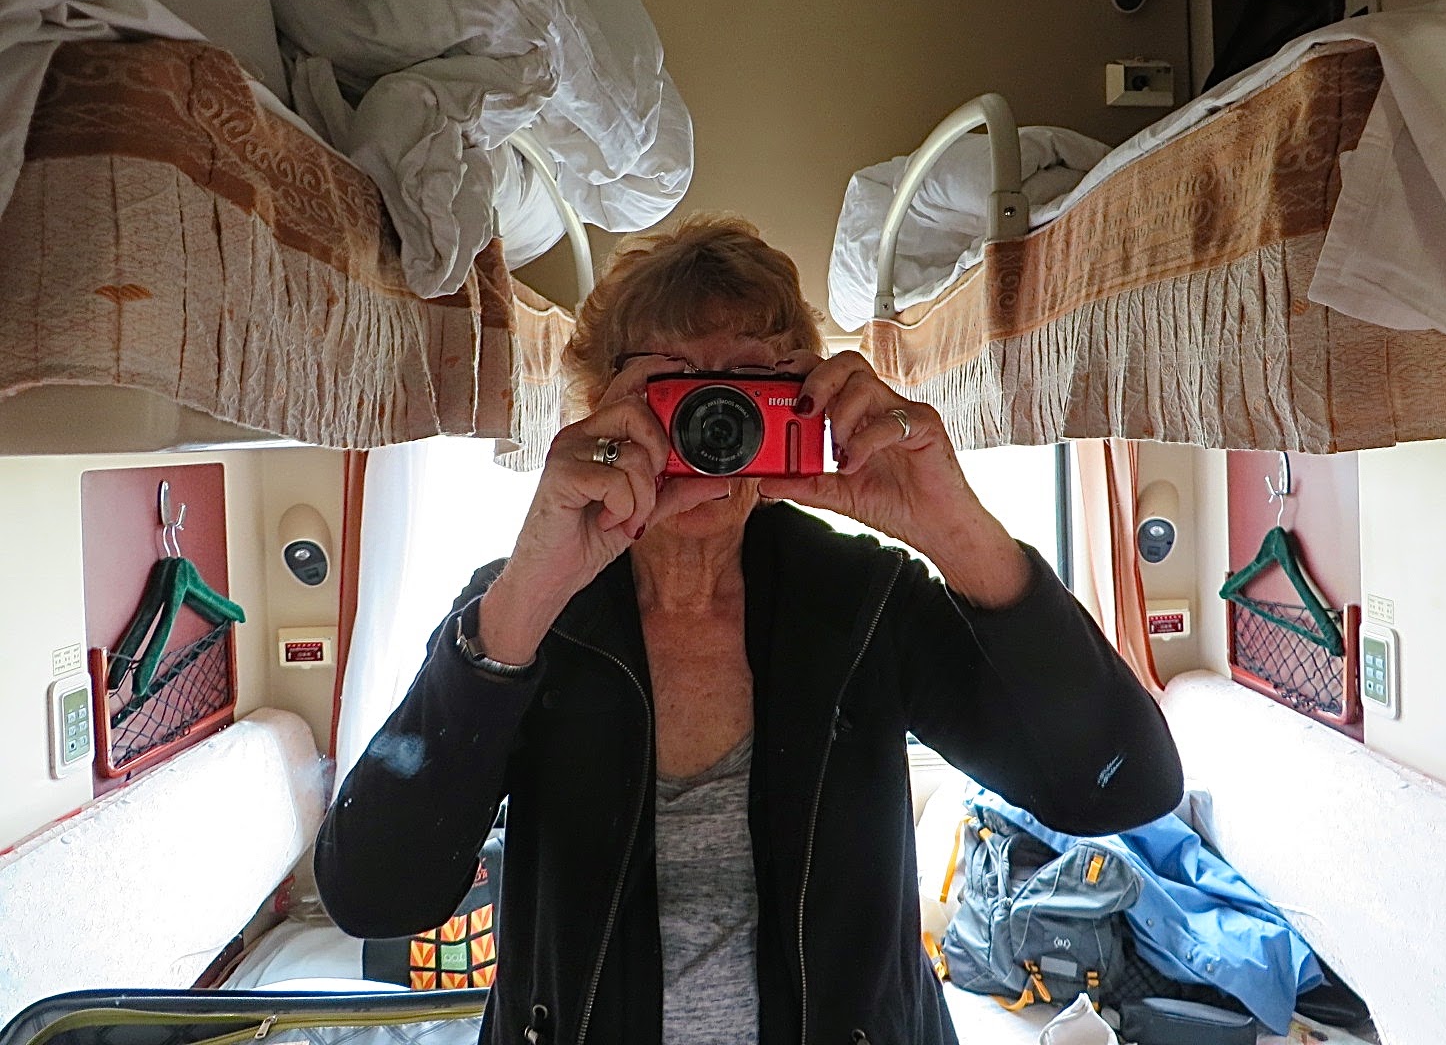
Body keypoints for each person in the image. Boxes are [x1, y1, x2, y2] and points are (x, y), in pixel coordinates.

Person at [315, 213, 1183, 1045]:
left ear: (796, 407)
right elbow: (373, 896)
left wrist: (955, 527)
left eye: (742, 389)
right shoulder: (526, 610)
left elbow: (1120, 787)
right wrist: (527, 594)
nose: (712, 423)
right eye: (676, 389)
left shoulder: (866, 602)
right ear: (602, 408)